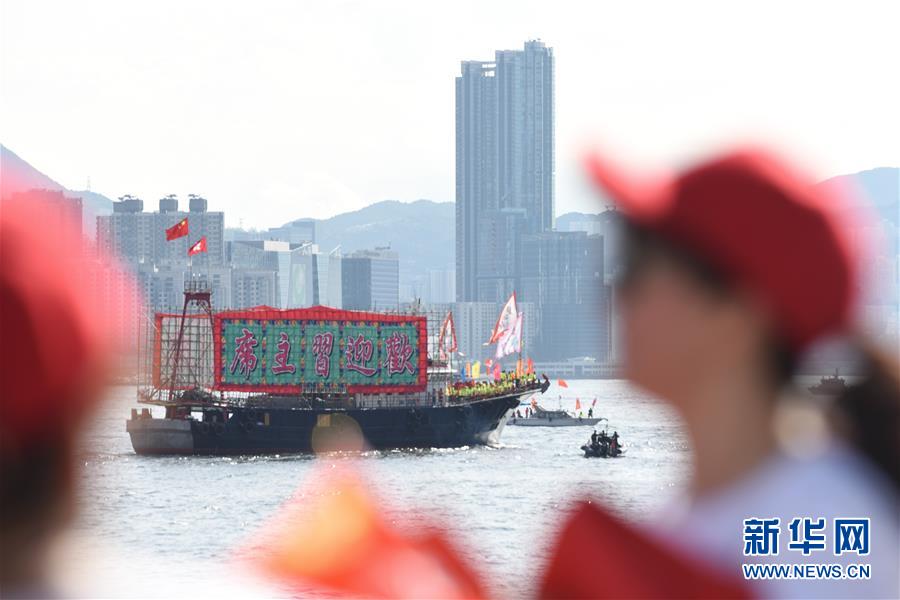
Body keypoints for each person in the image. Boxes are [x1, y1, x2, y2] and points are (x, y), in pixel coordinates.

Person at [540, 147, 899, 598]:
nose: (612, 295)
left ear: (739, 314)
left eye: (635, 267)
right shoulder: (688, 526)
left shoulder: (823, 534)